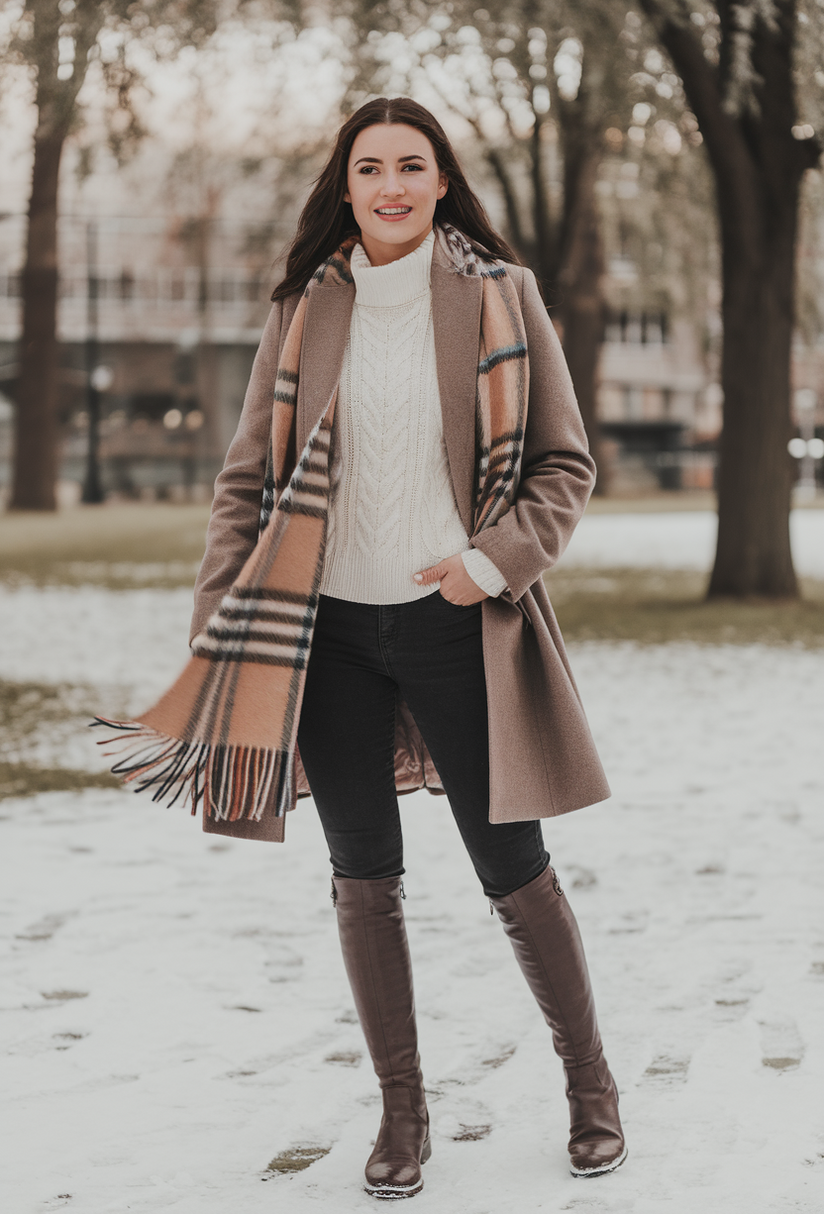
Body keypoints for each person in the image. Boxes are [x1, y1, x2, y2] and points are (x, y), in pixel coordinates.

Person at [184, 97, 626, 1198]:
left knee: (511, 869)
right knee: (360, 877)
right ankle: (400, 1118)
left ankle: (589, 1089)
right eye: (368, 167)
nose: (389, 184)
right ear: (345, 185)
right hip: (323, 631)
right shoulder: (301, 310)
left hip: (457, 626)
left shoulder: (497, 295)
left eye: (410, 166)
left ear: (439, 182)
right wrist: (215, 629)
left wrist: (488, 564)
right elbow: (247, 480)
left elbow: (562, 467)